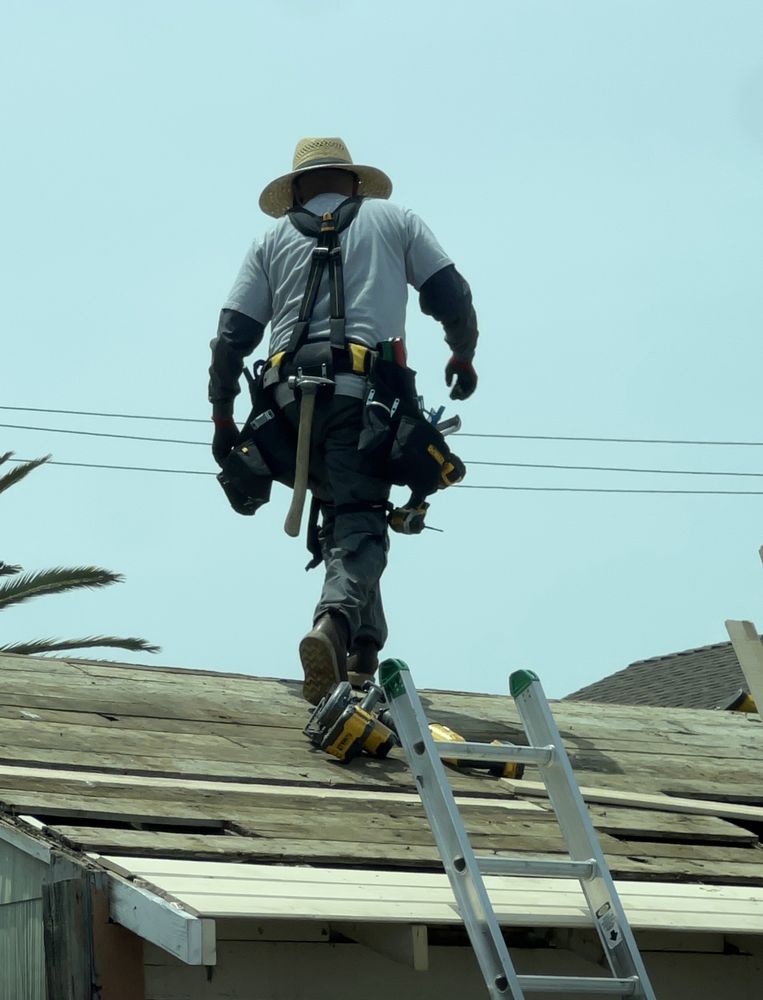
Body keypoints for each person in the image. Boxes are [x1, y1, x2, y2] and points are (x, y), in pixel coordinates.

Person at [208, 137, 479, 706]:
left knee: (350, 514)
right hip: (363, 403)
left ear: (296, 191)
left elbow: (231, 338)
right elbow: (450, 295)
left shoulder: (269, 240)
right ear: (353, 182)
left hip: (282, 412)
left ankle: (362, 652)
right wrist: (463, 353)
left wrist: (223, 418)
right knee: (359, 517)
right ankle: (332, 627)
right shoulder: (394, 219)